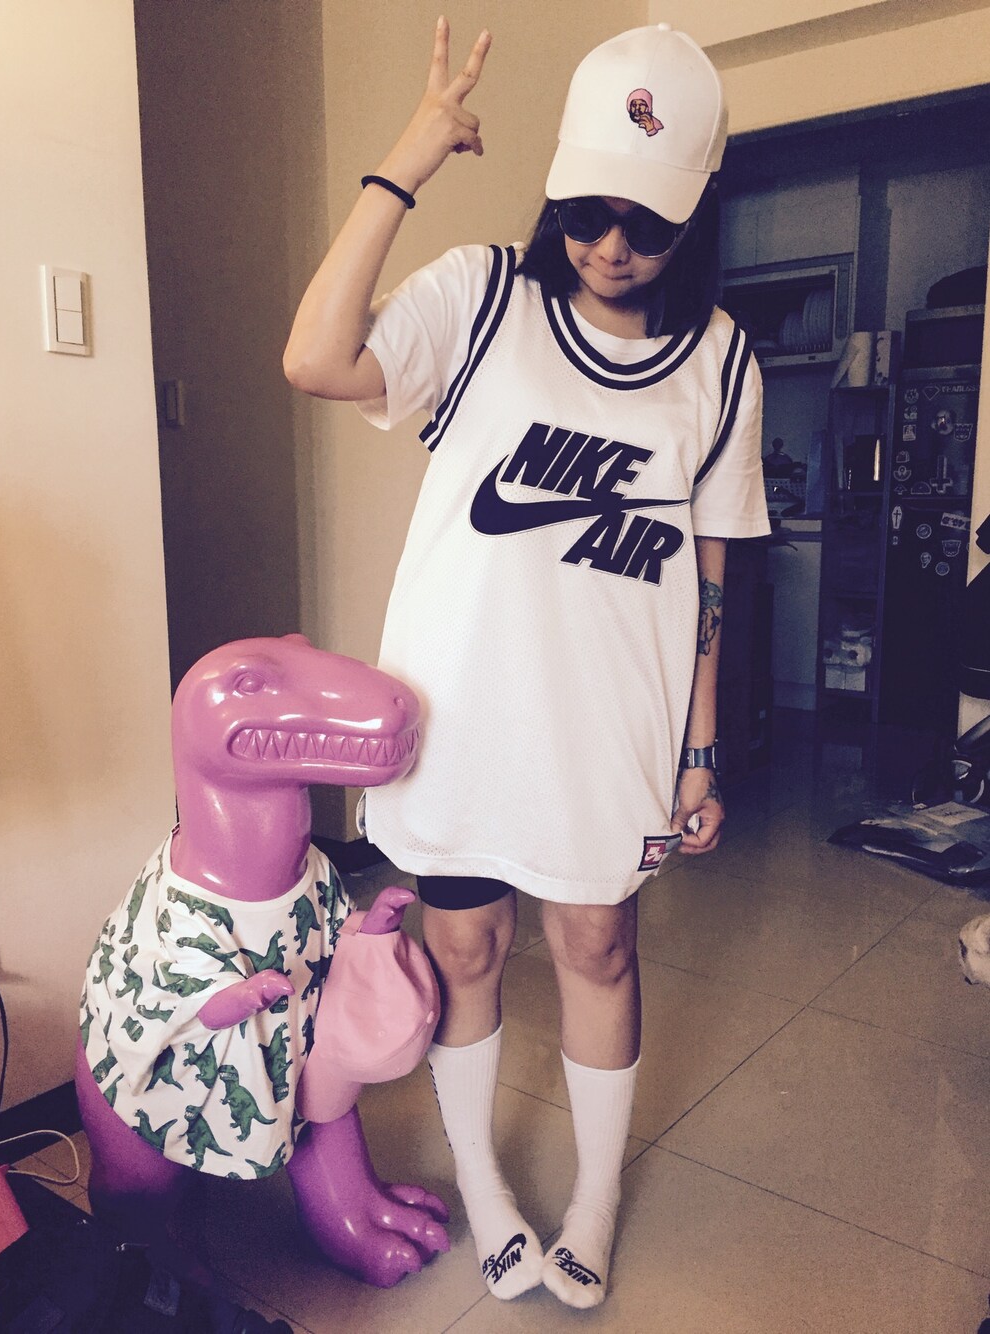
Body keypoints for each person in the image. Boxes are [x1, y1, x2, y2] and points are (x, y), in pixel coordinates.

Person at [284, 18, 770, 1309]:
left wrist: (701, 749)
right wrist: (408, 158)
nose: (612, 243)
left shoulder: (723, 362)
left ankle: (595, 1196)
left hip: (612, 722)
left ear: (694, 214)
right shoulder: (483, 297)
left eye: (647, 221)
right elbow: (315, 357)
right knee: (468, 949)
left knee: (600, 943)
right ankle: (487, 1187)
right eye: (590, 208)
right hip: (462, 710)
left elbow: (713, 570)